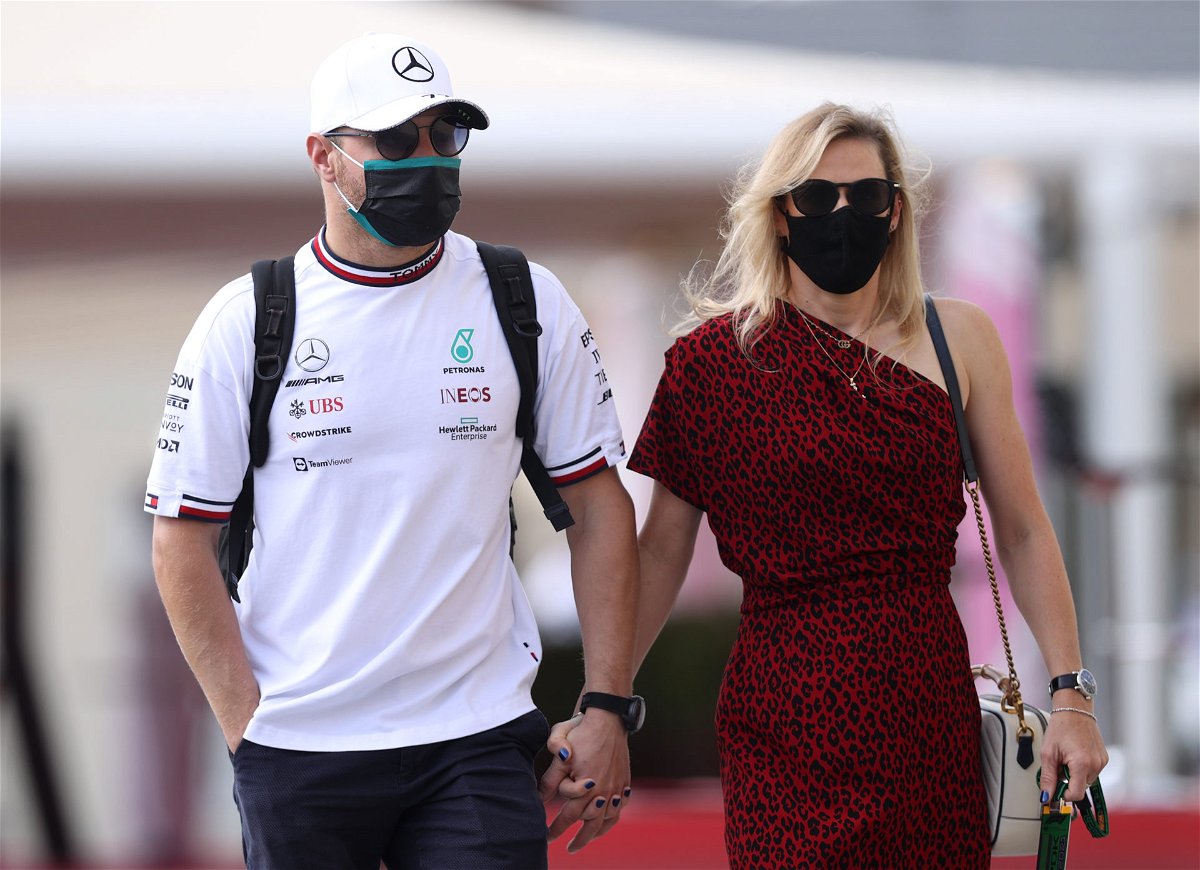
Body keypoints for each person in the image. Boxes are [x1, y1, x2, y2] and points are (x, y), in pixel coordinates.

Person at [145, 33, 640, 868]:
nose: (429, 159)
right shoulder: (247, 317)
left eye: (445, 135)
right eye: (395, 138)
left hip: (476, 740)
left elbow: (599, 507)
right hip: (300, 746)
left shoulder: (527, 298)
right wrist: (246, 726)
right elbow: (178, 538)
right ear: (323, 157)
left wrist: (606, 708)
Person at [610, 103, 1108, 866]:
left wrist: (1071, 696)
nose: (843, 215)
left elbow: (1024, 529)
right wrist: (606, 702)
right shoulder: (709, 363)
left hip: (925, 709)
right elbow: (658, 553)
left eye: (868, 196)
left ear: (897, 210)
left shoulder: (959, 337)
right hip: (782, 715)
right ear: (779, 215)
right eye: (816, 197)